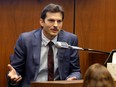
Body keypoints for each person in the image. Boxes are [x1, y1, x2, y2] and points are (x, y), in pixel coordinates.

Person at [7, 3, 81, 87]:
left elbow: (76, 70)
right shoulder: (25, 40)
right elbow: (15, 70)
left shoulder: (70, 40)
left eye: (59, 21)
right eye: (51, 20)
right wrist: (14, 77)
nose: (56, 25)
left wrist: (72, 78)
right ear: (41, 22)